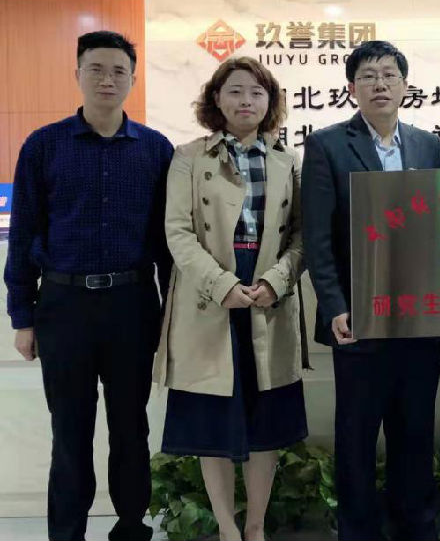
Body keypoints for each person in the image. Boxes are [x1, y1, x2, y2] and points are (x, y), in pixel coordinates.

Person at [4, 30, 173, 541]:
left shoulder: (155, 149)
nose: (107, 79)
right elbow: (24, 235)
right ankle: (67, 534)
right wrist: (23, 317)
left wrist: (172, 319)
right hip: (63, 306)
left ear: (132, 79)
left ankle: (131, 528)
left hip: (132, 305)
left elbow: (168, 243)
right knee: (70, 431)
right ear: (77, 74)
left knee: (131, 427)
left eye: (119, 70)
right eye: (96, 69)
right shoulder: (44, 145)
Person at [154, 56, 308, 541]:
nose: (246, 100)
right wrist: (221, 285)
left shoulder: (286, 159)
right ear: (216, 99)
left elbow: (303, 234)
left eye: (257, 92)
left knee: (266, 421)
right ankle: (226, 527)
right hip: (210, 296)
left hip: (267, 296)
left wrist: (276, 281)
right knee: (213, 421)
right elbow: (177, 232)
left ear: (270, 102)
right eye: (235, 91)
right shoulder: (188, 157)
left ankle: (256, 526)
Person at [301, 40, 440, 541]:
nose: (380, 84)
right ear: (352, 88)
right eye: (368, 75)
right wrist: (334, 305)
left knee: (416, 429)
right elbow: (317, 237)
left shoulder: (427, 145)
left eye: (389, 74)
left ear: (405, 86)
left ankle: (416, 526)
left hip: (420, 316)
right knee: (356, 435)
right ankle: (359, 530)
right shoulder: (327, 145)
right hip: (358, 317)